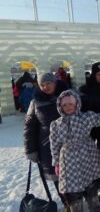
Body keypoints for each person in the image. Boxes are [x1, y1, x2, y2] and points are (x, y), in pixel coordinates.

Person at [49, 89, 100, 212]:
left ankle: (94, 207)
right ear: (60, 106)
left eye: (71, 104)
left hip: (87, 156)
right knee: (72, 190)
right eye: (64, 105)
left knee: (91, 187)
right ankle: (75, 207)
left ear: (77, 104)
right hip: (68, 161)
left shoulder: (86, 117)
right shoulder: (55, 125)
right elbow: (54, 145)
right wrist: (56, 163)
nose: (68, 107)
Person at [23, 73, 68, 209]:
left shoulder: (67, 96)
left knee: (74, 174)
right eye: (42, 84)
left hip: (71, 144)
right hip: (48, 147)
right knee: (57, 177)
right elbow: (29, 127)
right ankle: (67, 203)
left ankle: (78, 198)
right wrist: (30, 150)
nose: (45, 86)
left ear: (55, 82)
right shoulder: (35, 102)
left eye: (48, 83)